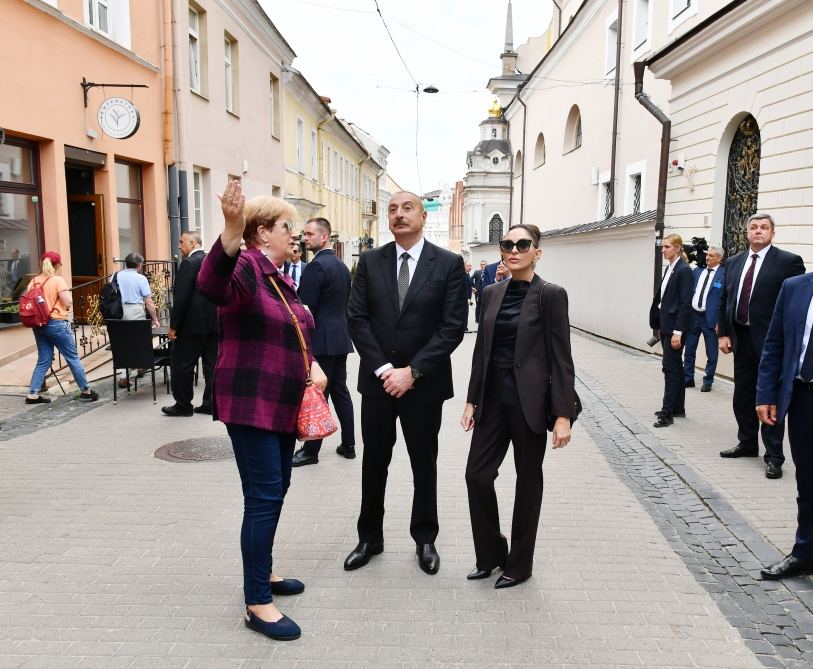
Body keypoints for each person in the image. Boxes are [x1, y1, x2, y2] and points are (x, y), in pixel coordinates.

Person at [197, 181, 327, 642]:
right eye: (287, 226)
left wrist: (312, 366)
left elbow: (296, 330)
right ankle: (256, 602)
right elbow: (212, 284)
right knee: (264, 496)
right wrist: (230, 230)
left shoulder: (276, 275)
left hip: (280, 403)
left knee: (277, 490)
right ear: (261, 232)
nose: (295, 234)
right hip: (251, 404)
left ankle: (264, 571)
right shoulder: (247, 266)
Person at [344, 191, 468, 575]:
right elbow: (357, 319)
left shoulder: (448, 264)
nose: (399, 214)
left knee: (423, 463)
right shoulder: (369, 261)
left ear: (424, 217)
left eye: (407, 208)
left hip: (424, 385)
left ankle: (425, 538)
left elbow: (452, 328)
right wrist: (385, 369)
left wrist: (412, 372)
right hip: (378, 384)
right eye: (392, 209)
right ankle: (370, 538)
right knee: (374, 462)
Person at [461, 224, 577, 589]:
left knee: (528, 482)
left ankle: (520, 563)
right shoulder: (491, 293)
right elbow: (482, 349)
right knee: (476, 475)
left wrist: (563, 415)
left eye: (522, 244)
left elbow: (562, 358)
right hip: (493, 401)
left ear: (536, 252)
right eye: (507, 244)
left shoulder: (551, 295)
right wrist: (471, 400)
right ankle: (492, 553)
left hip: (529, 404)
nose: (513, 250)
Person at [717, 212, 805, 479]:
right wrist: (723, 333)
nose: (758, 231)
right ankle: (747, 442)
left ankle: (774, 456)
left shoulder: (788, 262)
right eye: (753, 227)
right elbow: (725, 300)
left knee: (769, 398)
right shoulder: (733, 262)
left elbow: (796, 305)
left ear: (772, 233)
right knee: (742, 395)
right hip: (741, 339)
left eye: (764, 227)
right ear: (746, 233)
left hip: (771, 342)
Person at [756, 272, 813, 579]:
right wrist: (766, 394)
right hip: (804, 398)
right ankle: (804, 553)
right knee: (807, 482)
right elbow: (774, 344)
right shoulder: (794, 288)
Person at [292, 217, 356, 466]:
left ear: (324, 237)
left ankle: (311, 451)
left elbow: (304, 310)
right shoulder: (341, 266)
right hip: (340, 338)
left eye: (308, 234)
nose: (304, 238)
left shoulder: (316, 267)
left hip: (322, 340)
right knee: (340, 391)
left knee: (319, 393)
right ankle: (349, 444)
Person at [24, 251, 99, 404]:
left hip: (39, 325)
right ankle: (86, 390)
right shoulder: (57, 280)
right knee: (72, 358)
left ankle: (32, 394)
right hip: (56, 323)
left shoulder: (33, 281)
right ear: (57, 265)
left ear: (41, 263)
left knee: (44, 360)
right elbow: (67, 302)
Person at [161, 232, 218, 417]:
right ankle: (210, 403)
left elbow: (182, 298)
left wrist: (173, 325)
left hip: (192, 325)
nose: (179, 246)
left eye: (181, 242)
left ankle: (183, 405)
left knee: (182, 365)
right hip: (214, 323)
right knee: (212, 365)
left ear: (193, 243)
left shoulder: (189, 263)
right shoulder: (212, 260)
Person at [649, 234, 693, 428]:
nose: (663, 250)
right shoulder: (671, 267)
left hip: (675, 328)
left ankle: (667, 414)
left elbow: (685, 303)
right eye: (663, 247)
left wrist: (678, 331)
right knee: (675, 367)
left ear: (677, 248)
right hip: (667, 325)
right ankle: (678, 407)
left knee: (670, 369)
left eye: (666, 247)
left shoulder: (684, 271)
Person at [683, 246, 726, 392]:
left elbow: (725, 300)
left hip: (711, 319)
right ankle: (688, 378)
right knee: (689, 350)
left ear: (719, 258)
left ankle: (708, 380)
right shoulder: (698, 271)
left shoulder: (724, 274)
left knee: (712, 353)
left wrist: (721, 322)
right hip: (693, 316)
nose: (708, 258)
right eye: (708, 255)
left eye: (712, 256)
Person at [472, 259, 487, 324]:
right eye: (481, 264)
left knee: (486, 305)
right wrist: (473, 287)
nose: (482, 266)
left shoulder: (488, 271)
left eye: (484, 264)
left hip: (486, 291)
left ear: (486, 265)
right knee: (478, 305)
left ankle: (484, 318)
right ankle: (477, 319)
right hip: (478, 292)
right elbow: (470, 279)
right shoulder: (477, 272)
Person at [464, 261, 474, 333]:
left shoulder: (467, 274)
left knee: (466, 312)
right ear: (464, 266)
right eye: (468, 266)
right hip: (465, 298)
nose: (470, 267)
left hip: (467, 297)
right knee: (464, 313)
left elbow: (468, 285)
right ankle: (464, 328)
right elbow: (463, 287)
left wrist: (472, 288)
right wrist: (467, 298)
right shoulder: (463, 275)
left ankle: (464, 328)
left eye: (470, 266)